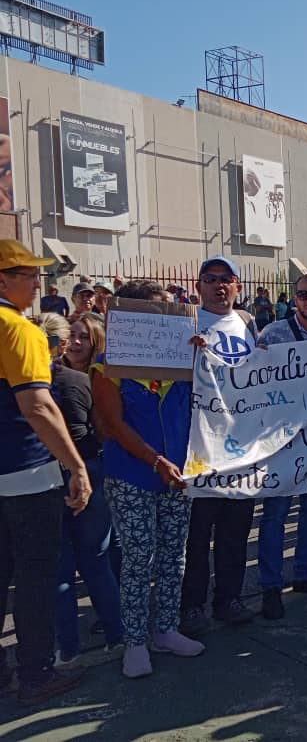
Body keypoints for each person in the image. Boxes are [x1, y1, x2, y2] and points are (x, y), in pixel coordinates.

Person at [92, 279, 203, 678]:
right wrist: (156, 461)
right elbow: (113, 424)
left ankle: (166, 630)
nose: (167, 318)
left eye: (171, 310)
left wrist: (204, 358)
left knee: (174, 555)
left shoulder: (185, 362)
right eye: (158, 311)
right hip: (132, 476)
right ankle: (135, 642)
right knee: (139, 558)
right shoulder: (108, 365)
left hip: (179, 476)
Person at [0, 240, 91, 705]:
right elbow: (38, 405)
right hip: (26, 472)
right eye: (27, 274)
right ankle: (34, 673)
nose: (38, 282)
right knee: (35, 578)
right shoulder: (19, 330)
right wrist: (75, 465)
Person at [37, 313, 123, 664]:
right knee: (96, 561)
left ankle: (67, 650)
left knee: (61, 569)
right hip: (90, 469)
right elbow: (99, 428)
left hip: (51, 476)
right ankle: (118, 635)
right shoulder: (81, 380)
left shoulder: (31, 386)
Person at [180, 257, 258, 634]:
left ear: (237, 287)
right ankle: (192, 605)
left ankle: (229, 597)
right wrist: (187, 354)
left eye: (226, 280)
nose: (218, 286)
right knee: (196, 537)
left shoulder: (246, 324)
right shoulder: (186, 322)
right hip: (199, 449)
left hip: (241, 450)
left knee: (234, 533)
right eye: (210, 280)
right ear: (199, 287)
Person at [255, 274, 307, 620]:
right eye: (303, 294)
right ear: (294, 299)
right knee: (275, 514)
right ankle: (270, 587)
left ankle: (305, 573)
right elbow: (253, 382)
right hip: (280, 439)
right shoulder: (273, 334)